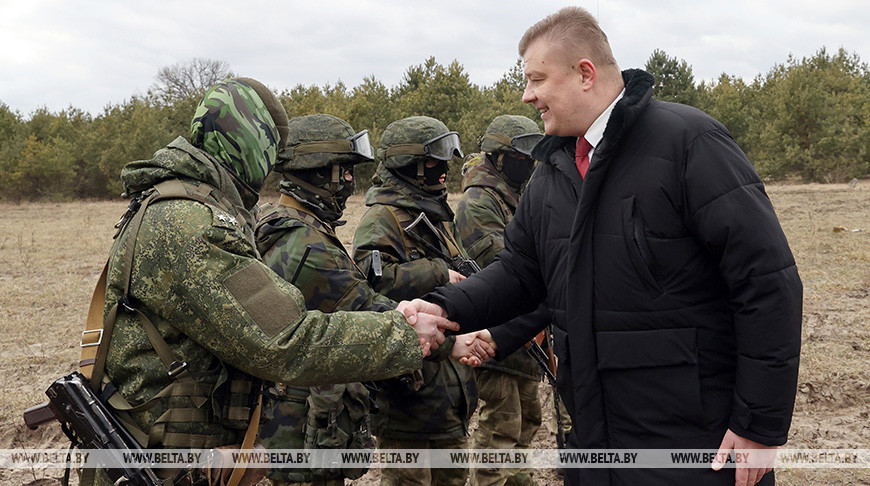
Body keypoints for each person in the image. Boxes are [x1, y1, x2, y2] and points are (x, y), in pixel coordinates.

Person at [421, 7, 803, 486]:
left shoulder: (689, 142)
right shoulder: (553, 173)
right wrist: (440, 307)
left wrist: (758, 425)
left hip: (693, 448)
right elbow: (520, 274)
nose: (527, 95)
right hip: (595, 444)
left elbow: (767, 284)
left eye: (537, 79)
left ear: (585, 73)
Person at [87, 79, 456, 485]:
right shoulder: (190, 223)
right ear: (251, 144)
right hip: (163, 462)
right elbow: (284, 340)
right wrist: (402, 334)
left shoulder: (178, 207)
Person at [352, 115, 478, 486]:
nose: (444, 169)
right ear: (410, 164)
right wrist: (437, 272)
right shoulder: (382, 219)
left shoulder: (434, 217)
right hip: (409, 395)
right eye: (434, 160)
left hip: (449, 393)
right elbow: (371, 287)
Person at [454, 114, 545, 486]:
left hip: (520, 330)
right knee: (501, 423)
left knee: (528, 416)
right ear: (500, 157)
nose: (528, 164)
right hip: (494, 327)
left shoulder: (513, 195)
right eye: (519, 157)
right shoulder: (478, 201)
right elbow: (502, 265)